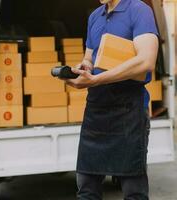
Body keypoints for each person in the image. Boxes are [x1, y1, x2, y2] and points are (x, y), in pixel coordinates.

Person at [65, 0, 159, 199]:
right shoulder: (94, 16)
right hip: (96, 108)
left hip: (129, 109)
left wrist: (96, 79)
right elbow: (89, 57)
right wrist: (84, 69)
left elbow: (146, 60)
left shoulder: (139, 10)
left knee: (133, 190)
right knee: (86, 187)